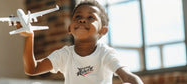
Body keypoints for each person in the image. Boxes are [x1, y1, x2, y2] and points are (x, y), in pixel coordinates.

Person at [14, 0, 143, 84]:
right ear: (69, 28)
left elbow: (129, 78)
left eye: (91, 17)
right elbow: (32, 69)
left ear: (103, 31)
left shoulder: (106, 53)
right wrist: (29, 37)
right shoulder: (65, 55)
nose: (82, 20)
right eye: (78, 17)